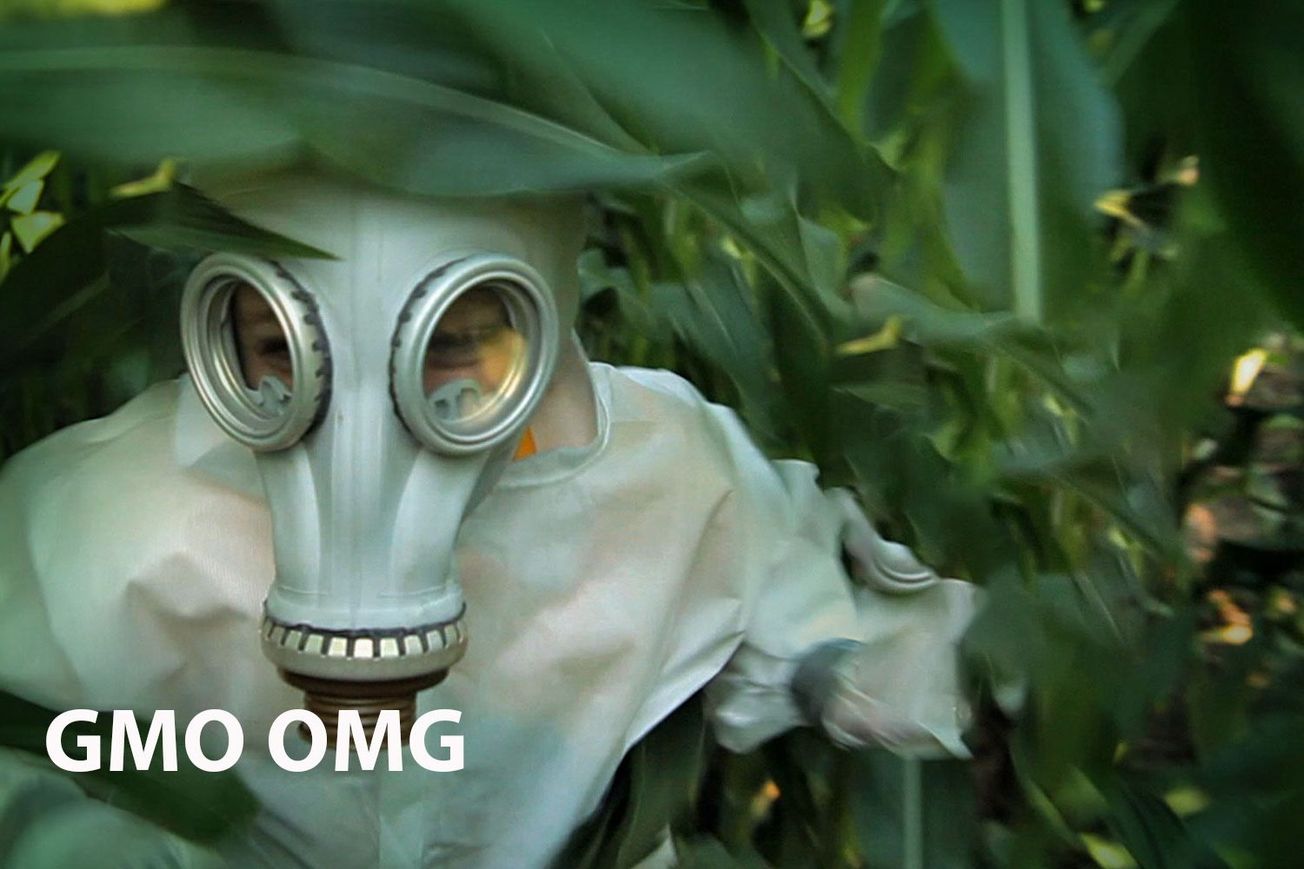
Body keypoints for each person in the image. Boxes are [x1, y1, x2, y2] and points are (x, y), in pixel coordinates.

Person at [0, 169, 975, 868]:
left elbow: (829, 604)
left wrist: (846, 664)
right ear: (224, 322)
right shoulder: (101, 517)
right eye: (284, 345)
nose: (367, 427)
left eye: (453, 340)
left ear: (538, 324)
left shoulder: (666, 467)